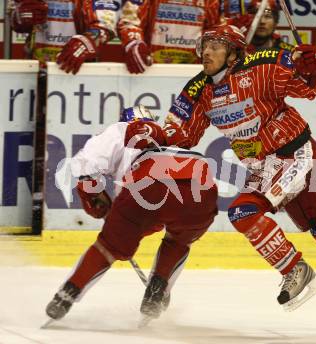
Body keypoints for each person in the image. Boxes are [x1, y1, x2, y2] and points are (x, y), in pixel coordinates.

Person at [162, 24, 316, 311]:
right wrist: (148, 132)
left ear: (233, 54)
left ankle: (294, 269)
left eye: (216, 46)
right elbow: (182, 136)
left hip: (295, 154)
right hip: (264, 166)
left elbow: (309, 86)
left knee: (243, 211)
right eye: (205, 45)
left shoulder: (260, 67)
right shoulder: (197, 89)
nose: (206, 51)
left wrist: (313, 64)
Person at [45, 106, 218, 323]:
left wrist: (97, 203)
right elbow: (160, 213)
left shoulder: (121, 129)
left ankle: (68, 293)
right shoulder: (170, 132)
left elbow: (85, 167)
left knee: (107, 248)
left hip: (147, 183)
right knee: (178, 241)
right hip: (200, 182)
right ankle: (158, 289)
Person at [117, 0, 221, 74]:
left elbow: (217, 29)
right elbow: (130, 19)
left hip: (194, 72)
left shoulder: (212, 2)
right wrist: (134, 42)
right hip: (151, 70)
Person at [222, 0, 296, 52]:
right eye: (257, 16)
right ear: (246, 19)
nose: (262, 21)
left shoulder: (288, 52)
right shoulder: (234, 52)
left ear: (276, 22)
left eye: (267, 16)